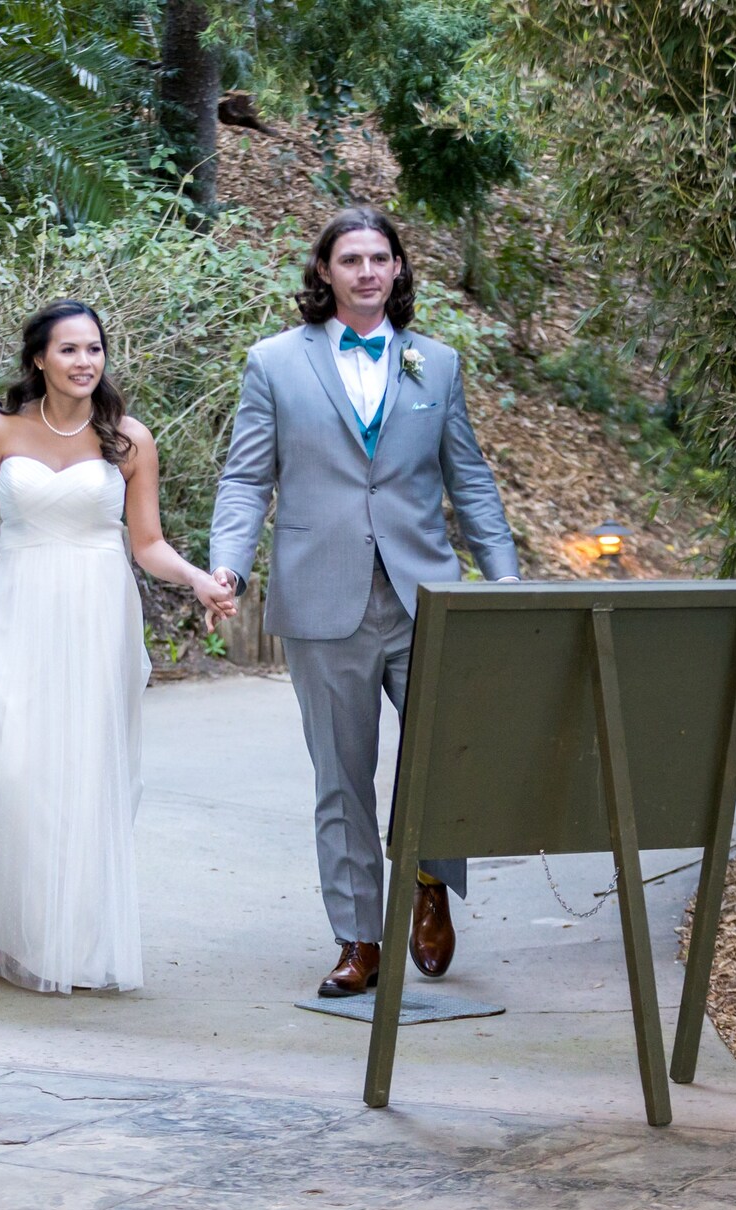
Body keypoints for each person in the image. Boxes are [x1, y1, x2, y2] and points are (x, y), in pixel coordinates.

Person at [208, 206, 520, 999]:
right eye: (351, 259)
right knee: (341, 775)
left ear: (399, 267)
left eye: (381, 257)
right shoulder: (274, 362)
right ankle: (358, 938)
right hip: (322, 598)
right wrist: (228, 566)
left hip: (426, 596)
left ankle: (429, 881)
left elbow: (469, 477)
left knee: (444, 758)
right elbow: (246, 477)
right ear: (325, 271)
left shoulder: (435, 364)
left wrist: (505, 580)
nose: (368, 271)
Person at [0, 300, 236, 993]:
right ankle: (7, 919)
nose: (84, 362)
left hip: (97, 615)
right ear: (39, 358)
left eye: (94, 349)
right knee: (10, 766)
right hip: (17, 608)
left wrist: (197, 578)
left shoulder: (129, 439)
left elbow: (148, 543)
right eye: (69, 349)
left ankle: (67, 939)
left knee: (82, 771)